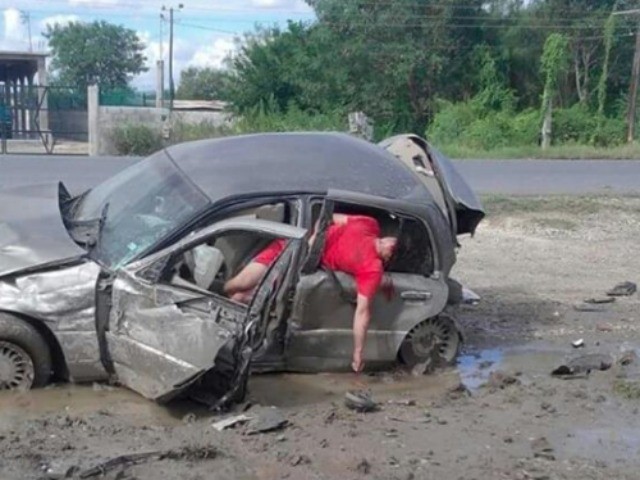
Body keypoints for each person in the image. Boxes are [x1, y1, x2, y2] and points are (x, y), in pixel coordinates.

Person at [224, 214, 397, 373]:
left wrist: (358, 352)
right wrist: (315, 239)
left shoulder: (372, 269)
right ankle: (216, 291)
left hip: (297, 271)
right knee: (239, 284)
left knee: (239, 297)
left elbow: (362, 311)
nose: (392, 243)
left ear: (389, 257)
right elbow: (326, 216)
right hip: (291, 248)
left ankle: (224, 339)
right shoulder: (369, 224)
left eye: (394, 249)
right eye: (394, 240)